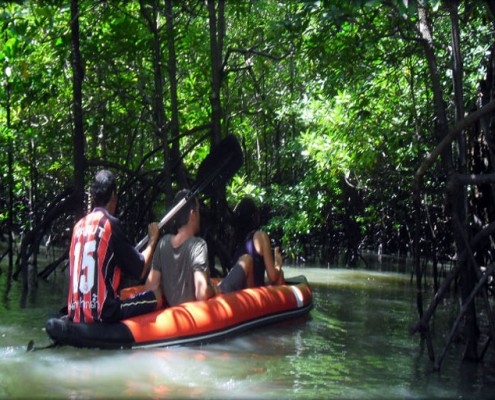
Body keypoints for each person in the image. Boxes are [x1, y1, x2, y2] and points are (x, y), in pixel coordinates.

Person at [67, 169, 162, 323]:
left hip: (75, 311)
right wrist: (153, 239)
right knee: (156, 295)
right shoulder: (109, 224)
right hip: (105, 314)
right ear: (112, 196)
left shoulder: (78, 226)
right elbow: (141, 269)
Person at [145, 189, 254, 307]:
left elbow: (150, 287)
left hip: (176, 311)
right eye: (198, 210)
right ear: (192, 213)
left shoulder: (163, 243)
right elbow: (202, 293)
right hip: (202, 312)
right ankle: (254, 313)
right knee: (247, 260)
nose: (199, 216)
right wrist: (214, 289)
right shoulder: (197, 245)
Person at [232, 197, 284, 287]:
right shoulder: (260, 236)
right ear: (254, 216)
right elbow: (272, 276)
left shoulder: (236, 239)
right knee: (280, 274)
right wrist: (278, 265)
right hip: (254, 293)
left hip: (239, 291)